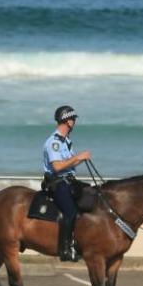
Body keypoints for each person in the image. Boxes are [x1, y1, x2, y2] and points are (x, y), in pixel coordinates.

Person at [42, 105, 91, 261]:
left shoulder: (66, 141)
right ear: (66, 120)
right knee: (70, 212)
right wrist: (77, 158)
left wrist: (81, 159)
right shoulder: (54, 142)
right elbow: (57, 167)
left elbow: (69, 164)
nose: (74, 122)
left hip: (69, 181)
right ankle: (65, 249)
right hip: (57, 183)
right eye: (72, 119)